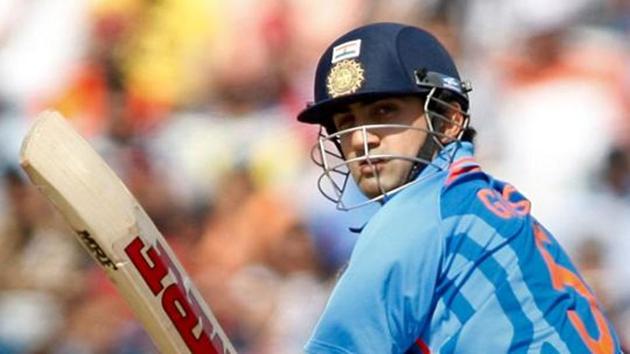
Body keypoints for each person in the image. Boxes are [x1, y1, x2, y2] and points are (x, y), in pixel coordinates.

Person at [296, 22, 623, 353]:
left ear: (449, 120)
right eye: (346, 123)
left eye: (385, 111)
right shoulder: (491, 204)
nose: (361, 139)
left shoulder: (417, 217)